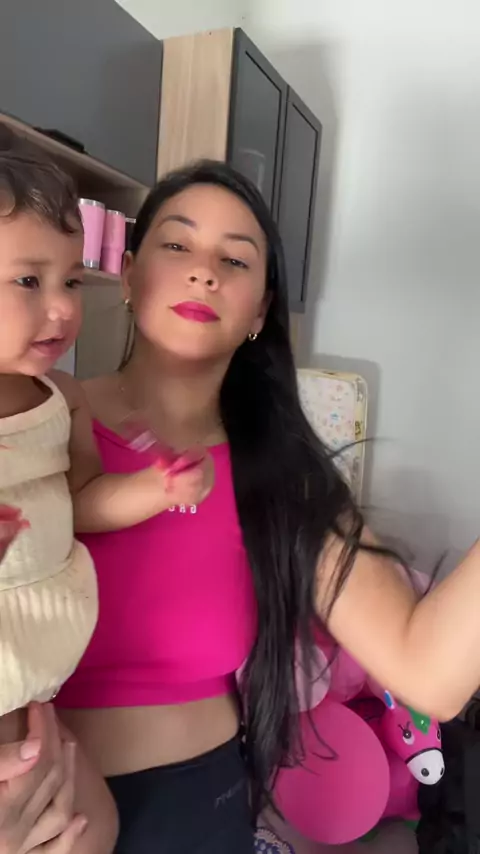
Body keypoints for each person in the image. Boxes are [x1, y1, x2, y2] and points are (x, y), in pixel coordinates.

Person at [50, 158, 480, 853]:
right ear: (128, 274)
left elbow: (427, 672)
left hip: (199, 814)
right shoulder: (39, 423)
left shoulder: (284, 477)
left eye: (235, 260)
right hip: (32, 812)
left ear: (260, 311)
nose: (204, 272)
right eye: (177, 244)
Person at [0, 126, 213, 852]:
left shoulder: (62, 398)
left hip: (36, 683)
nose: (62, 308)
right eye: (29, 281)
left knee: (95, 826)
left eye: (70, 280)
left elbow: (84, 499)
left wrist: (154, 488)